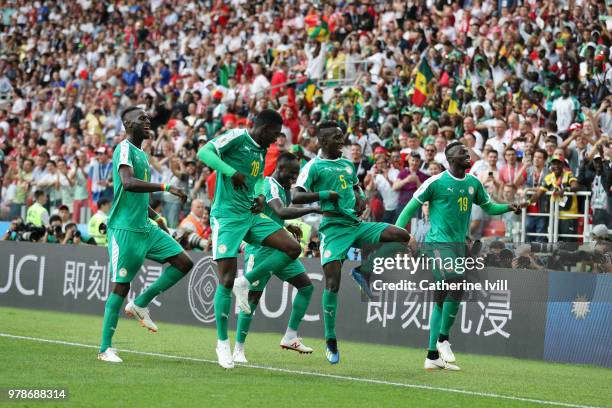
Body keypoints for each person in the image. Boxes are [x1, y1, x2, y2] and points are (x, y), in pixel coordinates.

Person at [395, 141, 523, 371]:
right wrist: (399, 237)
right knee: (457, 280)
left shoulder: (473, 183)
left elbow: (489, 207)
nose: (467, 154)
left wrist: (508, 207)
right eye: (462, 152)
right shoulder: (435, 182)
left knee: (442, 297)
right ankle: (443, 339)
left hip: (457, 246)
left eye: (467, 151)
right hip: (437, 243)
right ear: (450, 158)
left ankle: (432, 355)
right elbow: (406, 210)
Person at [292, 121, 412, 364]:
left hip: (356, 226)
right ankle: (330, 340)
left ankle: (364, 271)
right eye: (337, 138)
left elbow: (355, 187)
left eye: (342, 137)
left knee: (402, 236)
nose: (342, 142)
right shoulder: (314, 166)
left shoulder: (347, 164)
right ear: (324, 142)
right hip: (333, 229)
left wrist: (359, 199)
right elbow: (296, 195)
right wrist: (325, 195)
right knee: (332, 283)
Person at [197, 109, 302, 369]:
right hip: (227, 217)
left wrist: (260, 196)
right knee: (225, 279)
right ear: (263, 127)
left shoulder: (261, 150)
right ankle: (223, 343)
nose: (276, 140)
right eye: (275, 134)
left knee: (292, 247)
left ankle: (244, 282)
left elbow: (256, 180)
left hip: (251, 215)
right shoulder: (236, 137)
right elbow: (204, 153)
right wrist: (231, 172)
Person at [98, 106, 193, 364]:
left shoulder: (141, 153)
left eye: (147, 117)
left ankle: (140, 303)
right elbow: (128, 184)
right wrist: (165, 187)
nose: (148, 120)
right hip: (125, 230)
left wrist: (157, 217)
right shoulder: (125, 149)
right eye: (141, 118)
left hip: (145, 226)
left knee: (184, 262)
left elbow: (138, 196)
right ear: (128, 125)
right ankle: (105, 348)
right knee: (121, 285)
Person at [233, 152, 321, 363]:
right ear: (279, 169)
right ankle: (238, 349)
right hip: (261, 249)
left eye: (296, 174)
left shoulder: (282, 188)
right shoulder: (269, 184)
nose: (294, 177)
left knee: (306, 287)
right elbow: (279, 211)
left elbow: (272, 216)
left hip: (279, 248)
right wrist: (315, 208)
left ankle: (290, 336)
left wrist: (288, 226)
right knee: (252, 299)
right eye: (291, 173)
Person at [527, 155, 580, 242]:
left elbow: (576, 186)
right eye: (553, 164)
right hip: (554, 215)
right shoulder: (549, 177)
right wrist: (528, 202)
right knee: (555, 242)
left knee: (570, 244)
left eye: (558, 163)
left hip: (569, 216)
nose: (556, 166)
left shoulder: (569, 174)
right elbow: (538, 194)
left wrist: (566, 189)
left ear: (562, 165)